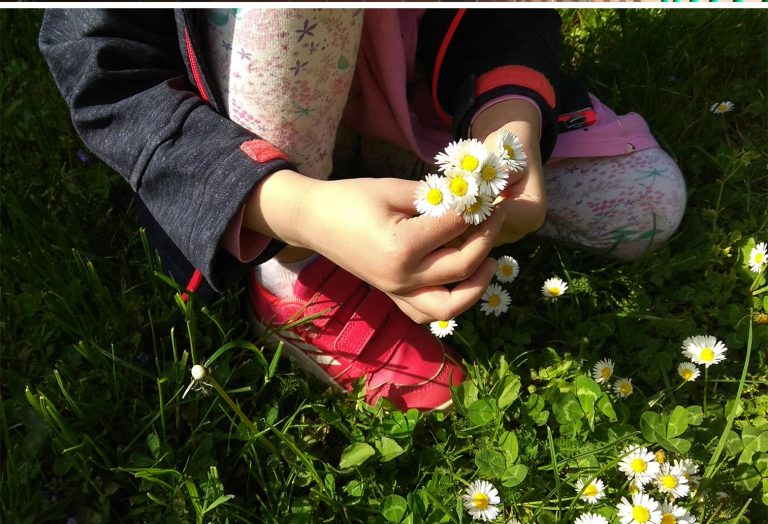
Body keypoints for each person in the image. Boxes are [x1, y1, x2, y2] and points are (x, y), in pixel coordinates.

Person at [39, 8, 686, 412]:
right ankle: (291, 267)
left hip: (417, 93)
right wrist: (301, 211)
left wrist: (506, 117)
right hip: (251, 149)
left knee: (644, 206)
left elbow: (509, 17)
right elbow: (109, 79)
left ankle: (397, 166)